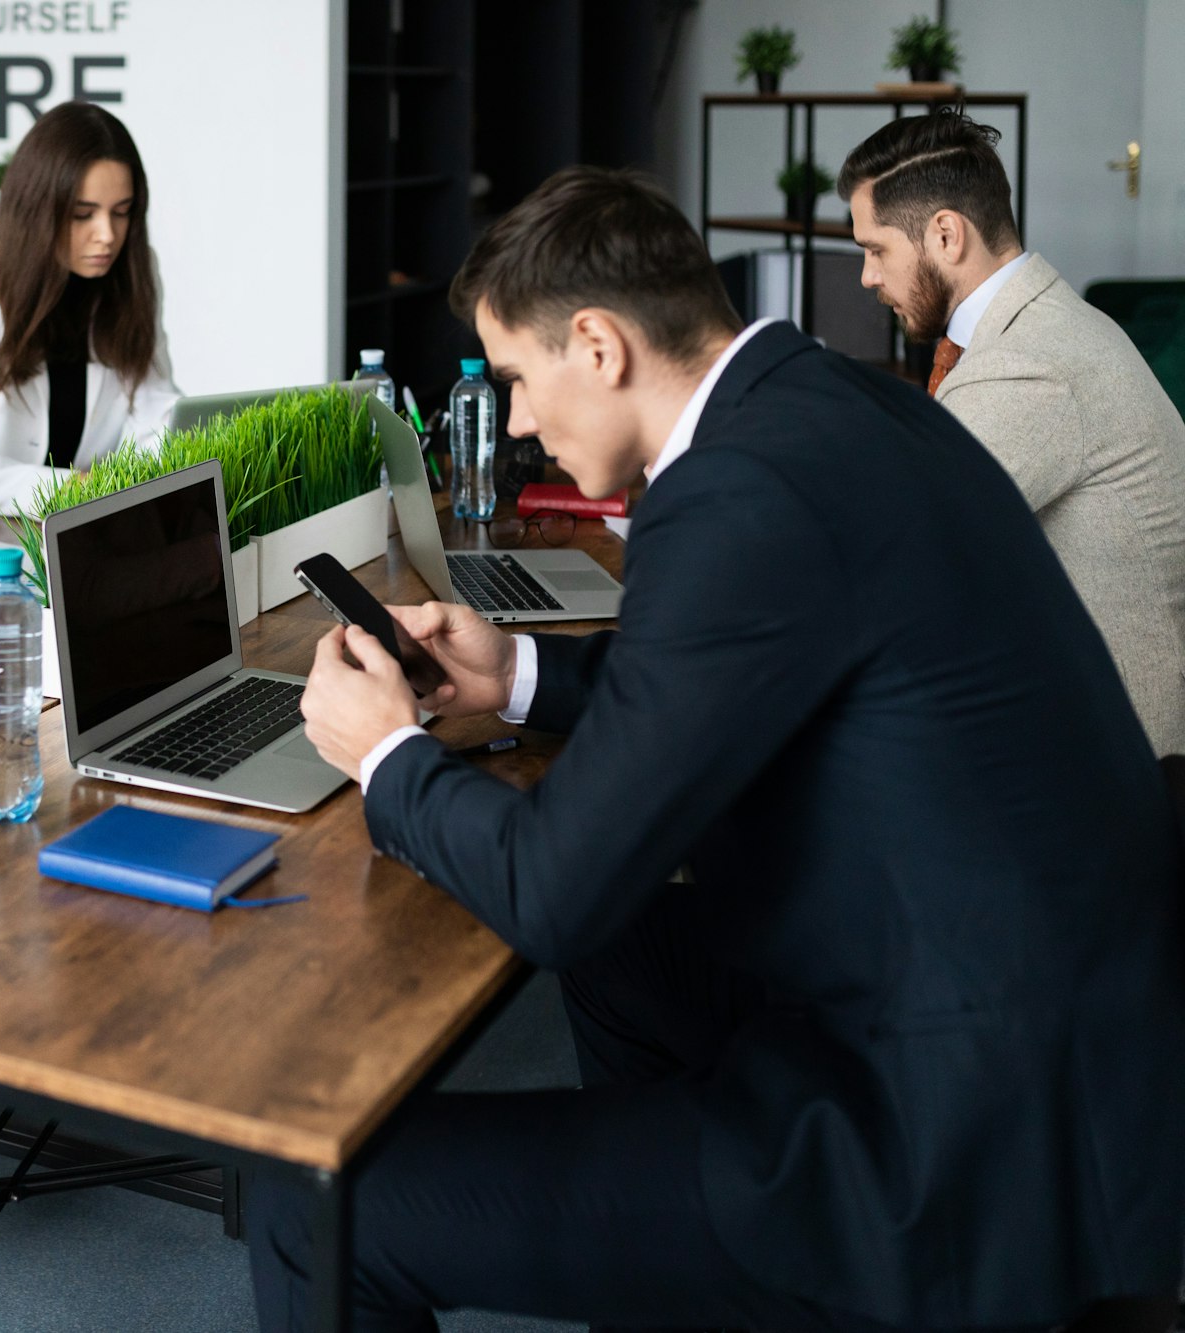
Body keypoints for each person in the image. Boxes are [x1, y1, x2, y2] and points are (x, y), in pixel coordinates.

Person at [252, 167, 1185, 1331]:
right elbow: (722, 682)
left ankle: (756, 1239)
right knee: (631, 952)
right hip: (1045, 1036)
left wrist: (386, 752)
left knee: (314, 1204)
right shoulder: (837, 403)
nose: (523, 420)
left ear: (595, 344)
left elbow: (552, 893)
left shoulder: (732, 490)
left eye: (516, 380)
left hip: (938, 1136)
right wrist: (518, 676)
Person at [842, 110, 1185, 755]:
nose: (867, 276)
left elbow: (888, 541)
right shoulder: (1041, 323)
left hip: (1123, 763)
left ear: (946, 234)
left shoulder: (1028, 364)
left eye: (875, 249)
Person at [0, 101, 181, 513]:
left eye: (121, 213)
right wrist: (82, 489)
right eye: (82, 215)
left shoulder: (134, 277)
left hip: (80, 534)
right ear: (36, 211)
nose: (106, 235)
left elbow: (159, 420)